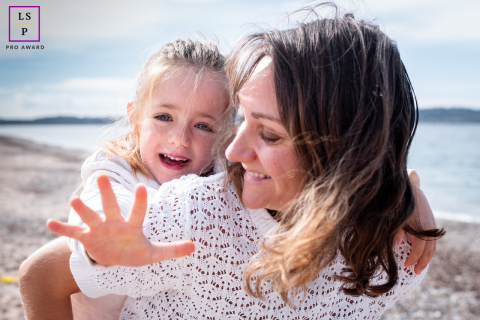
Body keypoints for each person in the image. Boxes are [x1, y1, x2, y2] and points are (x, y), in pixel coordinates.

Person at [22, 7, 443, 320]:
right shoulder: (190, 215)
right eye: (245, 119)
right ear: (135, 117)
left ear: (347, 155)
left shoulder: (398, 250)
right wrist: (99, 255)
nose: (232, 152)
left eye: (270, 133)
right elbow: (43, 272)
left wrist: (403, 190)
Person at [19, 39, 231, 319]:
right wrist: (103, 243)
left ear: (227, 134)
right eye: (164, 117)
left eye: (203, 125)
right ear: (134, 118)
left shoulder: (220, 176)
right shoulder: (116, 171)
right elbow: (103, 202)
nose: (180, 139)